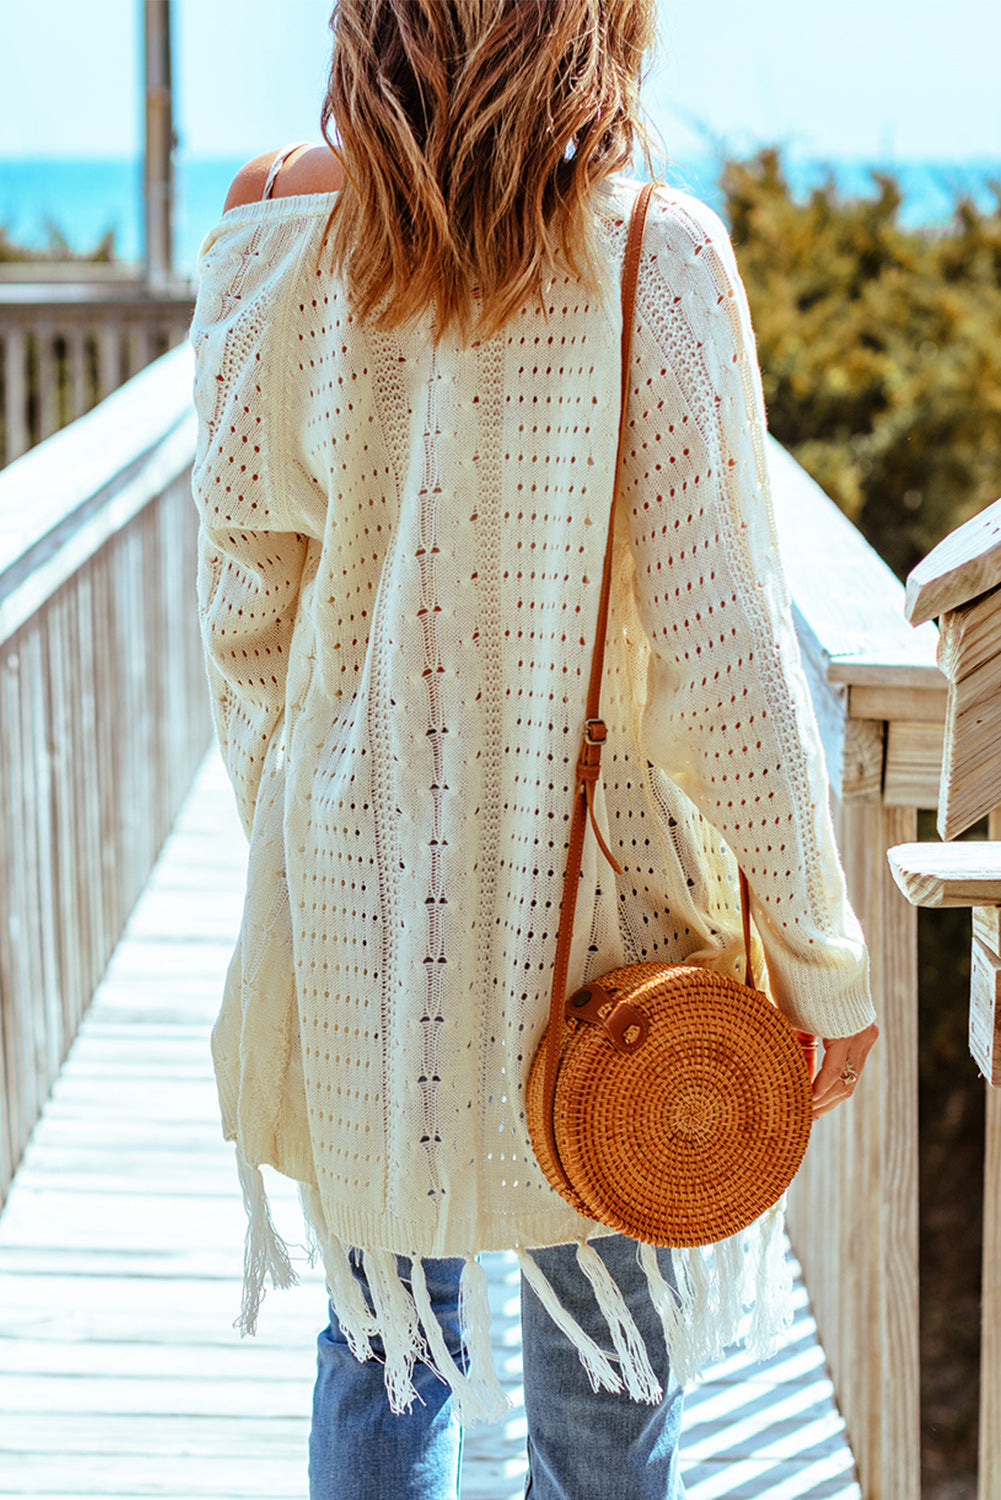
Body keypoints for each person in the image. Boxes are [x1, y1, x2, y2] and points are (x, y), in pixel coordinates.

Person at [189, 2, 879, 1496]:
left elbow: (243, 603)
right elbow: (720, 651)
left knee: (382, 1353)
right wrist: (821, 960)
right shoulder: (653, 254)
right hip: (607, 912)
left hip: (362, 881)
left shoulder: (264, 225)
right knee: (606, 1374)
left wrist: (295, 822)